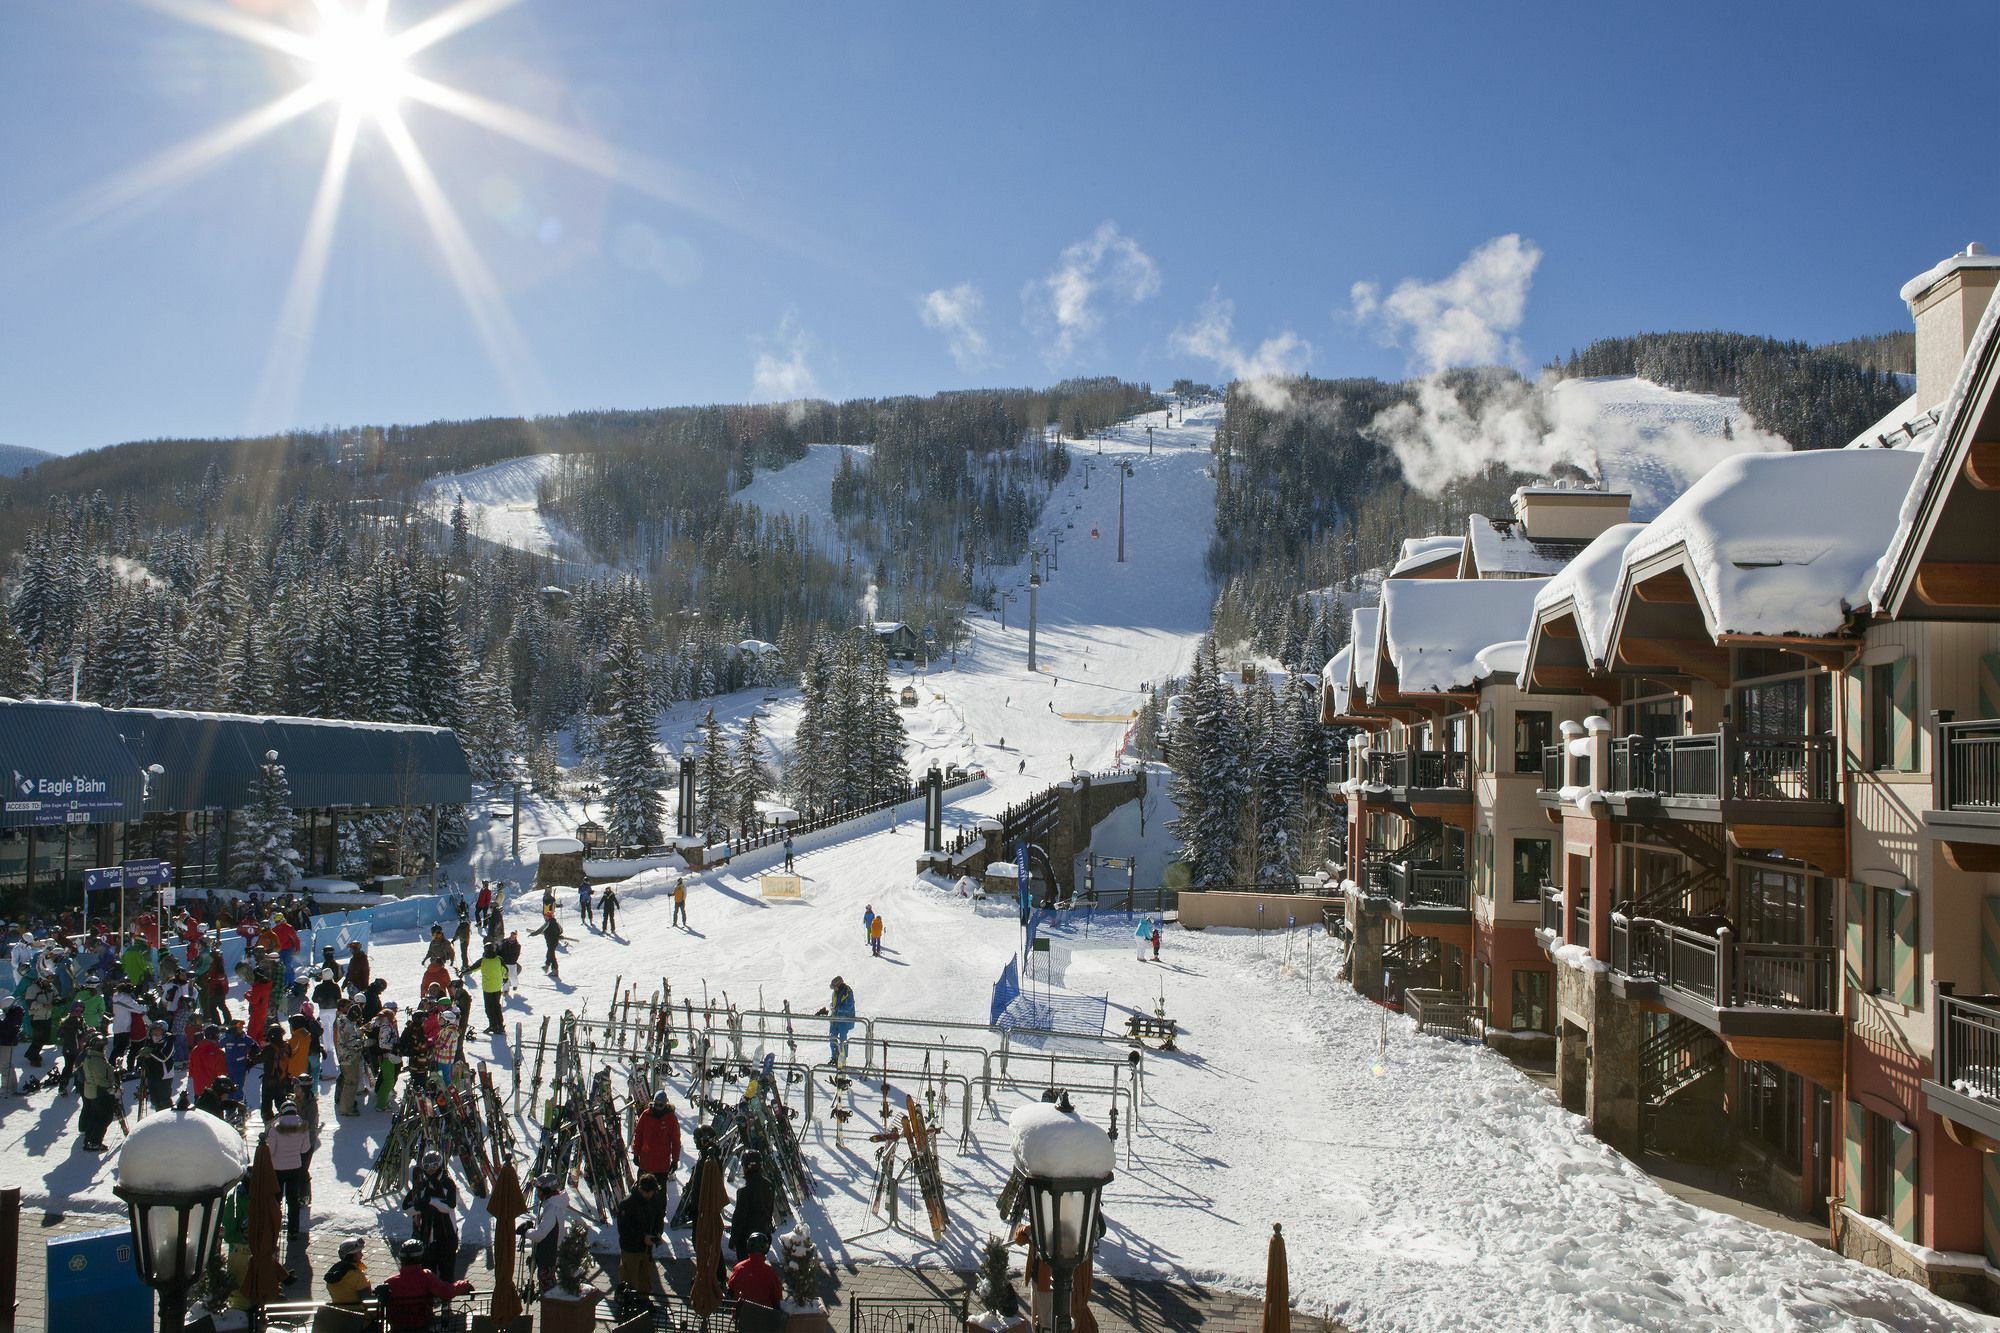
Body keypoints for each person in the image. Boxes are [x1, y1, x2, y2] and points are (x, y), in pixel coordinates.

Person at [382, 1238, 473, 1333]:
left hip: (398, 1328)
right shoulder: (426, 1277)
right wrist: (463, 1285)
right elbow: (446, 1292)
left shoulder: (390, 1282)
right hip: (421, 1326)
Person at [403, 1150, 460, 1275]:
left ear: (439, 1165)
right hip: (427, 1237)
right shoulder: (422, 1185)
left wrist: (431, 1201)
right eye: (427, 1166)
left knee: (447, 1275)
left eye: (434, 1166)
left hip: (446, 1235)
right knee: (428, 1275)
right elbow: (406, 1208)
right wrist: (419, 1207)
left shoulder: (447, 1182)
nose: (430, 1169)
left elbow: (450, 1206)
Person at [267, 1100, 312, 1235]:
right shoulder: (303, 1127)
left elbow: (271, 1150)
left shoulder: (275, 1127)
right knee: (293, 1200)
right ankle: (293, 1231)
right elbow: (305, 1149)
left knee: (276, 1199)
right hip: (295, 1167)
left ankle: (274, 1227)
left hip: (278, 1169)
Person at [614, 1176, 663, 1301]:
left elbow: (658, 1217)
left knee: (644, 1279)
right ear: (641, 1189)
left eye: (652, 1192)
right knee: (629, 1279)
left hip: (646, 1249)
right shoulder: (627, 1204)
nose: (650, 1195)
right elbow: (624, 1230)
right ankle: (626, 1303)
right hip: (631, 1249)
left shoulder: (653, 1200)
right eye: (648, 1192)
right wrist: (642, 1237)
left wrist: (657, 1234)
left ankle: (643, 1301)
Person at [725, 1232, 783, 1320]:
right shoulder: (770, 1272)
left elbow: (730, 1290)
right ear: (766, 1248)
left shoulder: (738, 1268)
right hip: (764, 1320)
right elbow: (777, 1298)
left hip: (741, 1319)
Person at [526, 1174, 569, 1292]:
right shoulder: (554, 1205)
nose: (537, 1194)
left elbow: (540, 1235)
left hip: (548, 1256)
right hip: (550, 1253)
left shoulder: (551, 1209)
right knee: (549, 1289)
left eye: (539, 1191)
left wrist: (527, 1232)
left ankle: (550, 1309)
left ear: (546, 1191)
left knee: (548, 1292)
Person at [76, 1035, 119, 1151]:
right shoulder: (96, 1060)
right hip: (99, 1092)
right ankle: (94, 1142)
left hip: (92, 1091)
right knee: (104, 1117)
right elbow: (100, 1079)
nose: (105, 1048)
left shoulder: (92, 1057)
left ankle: (89, 1140)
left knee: (95, 1116)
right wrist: (111, 1088)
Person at [728, 1157, 773, 1262]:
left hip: (746, 1240)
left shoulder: (744, 1189)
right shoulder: (769, 1185)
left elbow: (739, 1217)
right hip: (763, 1236)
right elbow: (770, 1211)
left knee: (746, 1270)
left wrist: (734, 1239)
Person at [632, 1089, 682, 1184]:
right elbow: (638, 1135)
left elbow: (676, 1141)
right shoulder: (646, 1115)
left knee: (659, 1196)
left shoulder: (670, 1118)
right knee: (642, 1194)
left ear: (665, 1104)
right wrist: (636, 1153)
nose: (658, 1107)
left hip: (661, 1166)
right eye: (656, 1104)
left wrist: (675, 1160)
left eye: (661, 1105)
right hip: (646, 1163)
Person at [334, 1002, 368, 1117]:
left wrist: (359, 1031)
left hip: (343, 1055)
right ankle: (346, 1108)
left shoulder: (342, 1020)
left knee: (347, 1081)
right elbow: (352, 1043)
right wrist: (364, 1042)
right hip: (349, 1058)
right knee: (351, 1082)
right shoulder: (348, 1026)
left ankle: (346, 1102)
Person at [324, 1238, 372, 1306]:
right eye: (359, 1252)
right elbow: (367, 1299)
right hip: (357, 1312)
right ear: (352, 1256)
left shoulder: (334, 1270)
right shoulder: (357, 1275)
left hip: (338, 1310)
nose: (362, 1255)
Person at [474, 943, 506, 1035]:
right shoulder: (499, 959)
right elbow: (505, 971)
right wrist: (505, 977)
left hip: (487, 988)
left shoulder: (483, 960)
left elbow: (472, 969)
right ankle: (499, 1025)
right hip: (496, 988)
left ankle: (492, 1025)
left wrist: (462, 973)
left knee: (489, 1007)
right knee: (496, 1006)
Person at [826, 977, 855, 1067]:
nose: (833, 989)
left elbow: (849, 1007)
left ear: (838, 985)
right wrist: (832, 1007)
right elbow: (834, 1003)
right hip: (835, 1019)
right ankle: (834, 1057)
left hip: (844, 1020)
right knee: (832, 1038)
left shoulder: (847, 992)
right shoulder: (835, 993)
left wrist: (837, 1009)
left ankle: (842, 1059)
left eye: (834, 987)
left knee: (843, 1040)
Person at [532, 914, 564, 979]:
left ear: (548, 917)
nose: (545, 917)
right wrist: (557, 935)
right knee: (550, 954)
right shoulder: (556, 923)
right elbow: (561, 931)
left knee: (551, 955)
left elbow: (540, 930)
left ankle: (554, 970)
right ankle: (547, 967)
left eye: (546, 916)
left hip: (550, 941)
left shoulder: (548, 923)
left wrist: (532, 934)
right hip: (555, 942)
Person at [0, 995, 20, 1096]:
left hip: (6, 1042)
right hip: (7, 1042)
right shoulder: (15, 1013)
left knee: (4, 1066)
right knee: (7, 1065)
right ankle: (12, 1087)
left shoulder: (13, 1016)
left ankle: (6, 1088)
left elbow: (6, 1029)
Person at [454, 903, 473, 970]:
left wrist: (454, 939)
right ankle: (465, 964)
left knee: (463, 954)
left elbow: (457, 933)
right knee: (464, 953)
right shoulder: (467, 925)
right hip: (466, 940)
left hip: (463, 941)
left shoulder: (461, 927)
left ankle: (465, 965)